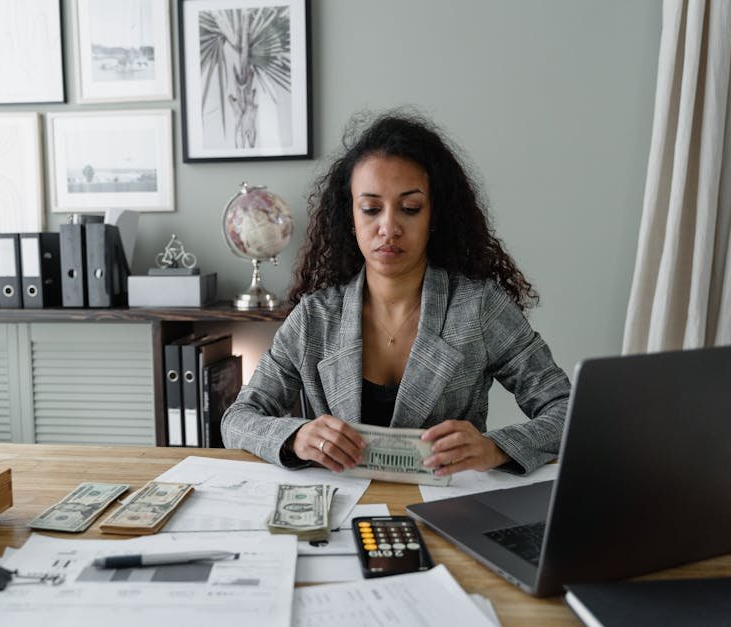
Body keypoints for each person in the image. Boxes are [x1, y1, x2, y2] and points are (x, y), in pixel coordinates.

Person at [221, 111, 570, 477]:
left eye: (410, 208)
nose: (389, 228)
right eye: (371, 209)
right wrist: (296, 436)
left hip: (447, 512)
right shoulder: (314, 318)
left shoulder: (479, 308)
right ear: (350, 217)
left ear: (434, 216)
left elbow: (567, 409)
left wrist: (495, 448)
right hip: (338, 514)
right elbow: (238, 419)